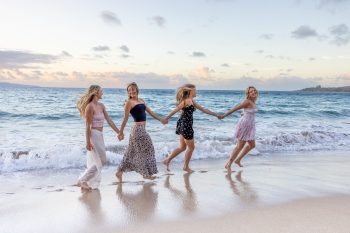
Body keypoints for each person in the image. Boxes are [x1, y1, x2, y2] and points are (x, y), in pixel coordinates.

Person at [115, 82, 166, 182]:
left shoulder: (141, 101)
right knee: (149, 148)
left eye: (133, 89)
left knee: (130, 152)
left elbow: (150, 112)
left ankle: (119, 172)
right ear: (128, 93)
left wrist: (161, 119)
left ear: (137, 89)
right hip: (137, 130)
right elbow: (125, 119)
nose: (131, 91)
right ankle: (145, 174)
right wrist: (120, 132)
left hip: (143, 129)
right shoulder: (128, 103)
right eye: (129, 90)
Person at [162, 84, 218, 173]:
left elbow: (203, 110)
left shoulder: (192, 101)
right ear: (190, 91)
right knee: (191, 147)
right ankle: (185, 167)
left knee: (182, 147)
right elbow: (176, 110)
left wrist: (215, 114)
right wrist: (165, 118)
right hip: (186, 126)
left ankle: (167, 160)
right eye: (195, 90)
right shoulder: (187, 101)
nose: (196, 92)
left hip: (183, 125)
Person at [76, 85, 120, 190]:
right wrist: (87, 142)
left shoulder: (101, 105)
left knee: (100, 161)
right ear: (96, 92)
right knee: (102, 161)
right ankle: (82, 180)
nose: (102, 93)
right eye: (101, 91)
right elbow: (88, 126)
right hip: (93, 135)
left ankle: (84, 180)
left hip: (100, 135)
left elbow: (109, 120)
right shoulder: (89, 106)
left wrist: (119, 132)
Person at [218, 86, 258, 171]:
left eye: (254, 91)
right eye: (251, 91)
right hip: (244, 126)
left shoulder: (253, 101)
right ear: (248, 94)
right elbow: (235, 108)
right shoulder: (247, 101)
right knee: (239, 146)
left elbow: (246, 111)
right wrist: (224, 116)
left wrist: (243, 114)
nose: (253, 92)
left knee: (252, 145)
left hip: (250, 126)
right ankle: (228, 164)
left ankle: (238, 160)